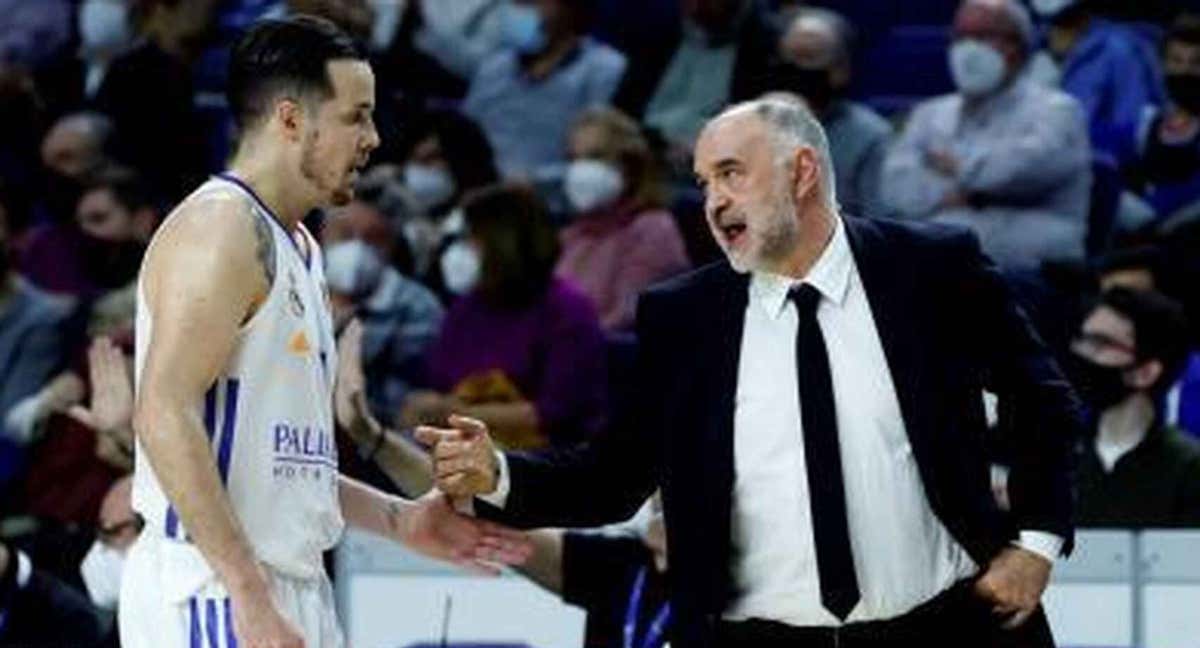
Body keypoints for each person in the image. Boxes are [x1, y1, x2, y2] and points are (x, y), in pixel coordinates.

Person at [419, 95, 1082, 648]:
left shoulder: (932, 269)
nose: (712, 200)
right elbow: (615, 476)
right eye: (704, 181)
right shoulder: (684, 317)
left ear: (802, 172)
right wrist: (500, 474)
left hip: (943, 627)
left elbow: (1043, 402)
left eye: (732, 173)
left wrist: (1036, 545)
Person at [121, 16, 529, 648]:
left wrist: (398, 521)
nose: (373, 137)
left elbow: (280, 462)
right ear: (290, 119)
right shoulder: (222, 230)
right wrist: (247, 593)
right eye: (356, 116)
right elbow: (162, 412)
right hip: (216, 588)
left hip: (284, 583)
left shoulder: (303, 247)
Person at [882, 0, 1091, 270]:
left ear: (1019, 46)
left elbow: (1018, 172)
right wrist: (972, 188)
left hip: (1035, 265)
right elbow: (897, 189)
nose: (968, 49)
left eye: (983, 37)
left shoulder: (1057, 111)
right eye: (960, 37)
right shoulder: (929, 113)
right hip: (946, 257)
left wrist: (956, 168)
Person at [406, 184, 608, 449]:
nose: (459, 251)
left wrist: (449, 412)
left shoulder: (568, 310)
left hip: (549, 462)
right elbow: (439, 388)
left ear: (502, 243)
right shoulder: (464, 311)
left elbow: (556, 416)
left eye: (469, 238)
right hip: (463, 452)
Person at [1068, 287, 1200, 527]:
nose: (1082, 352)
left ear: (1145, 372)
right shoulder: (1057, 458)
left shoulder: (1188, 467)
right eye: (1082, 339)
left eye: (1101, 343)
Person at [555, 107, 690, 332]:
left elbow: (628, 318)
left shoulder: (653, 230)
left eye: (595, 156)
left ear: (629, 164)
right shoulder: (570, 237)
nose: (581, 169)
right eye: (573, 159)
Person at [462, 0, 627, 177]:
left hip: (547, 195)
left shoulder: (604, 69)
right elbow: (464, 132)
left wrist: (537, 184)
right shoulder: (494, 64)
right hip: (474, 182)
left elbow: (599, 156)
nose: (519, 11)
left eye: (531, 2)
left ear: (570, 9)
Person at [774, 7, 893, 220]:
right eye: (788, 58)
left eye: (808, 58)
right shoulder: (754, 125)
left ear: (841, 70)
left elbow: (880, 225)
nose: (795, 68)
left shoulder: (870, 136)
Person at [622, 0, 776, 154]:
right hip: (641, 145)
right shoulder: (659, 32)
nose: (696, 6)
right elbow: (625, 107)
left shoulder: (763, 49)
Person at [1031, 0, 1164, 156]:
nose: (1053, 30)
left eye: (1064, 21)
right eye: (1048, 21)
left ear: (1082, 14)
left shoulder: (1121, 51)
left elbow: (1133, 132)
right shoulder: (1034, 46)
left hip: (1104, 168)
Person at [1121, 14, 1200, 222]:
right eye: (1176, 61)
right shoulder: (1148, 122)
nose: (1185, 70)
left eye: (1196, 62)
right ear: (1163, 65)